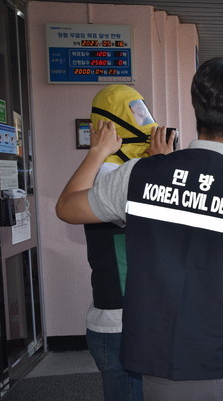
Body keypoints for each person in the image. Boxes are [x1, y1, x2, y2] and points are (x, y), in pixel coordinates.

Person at [56, 57, 223, 401]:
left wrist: (98, 152)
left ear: (199, 111)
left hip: (160, 364)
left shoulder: (139, 175)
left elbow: (67, 207)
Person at [84, 84, 174, 401]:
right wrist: (162, 166)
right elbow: (165, 221)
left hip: (129, 319)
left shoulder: (115, 169)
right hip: (121, 324)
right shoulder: (110, 174)